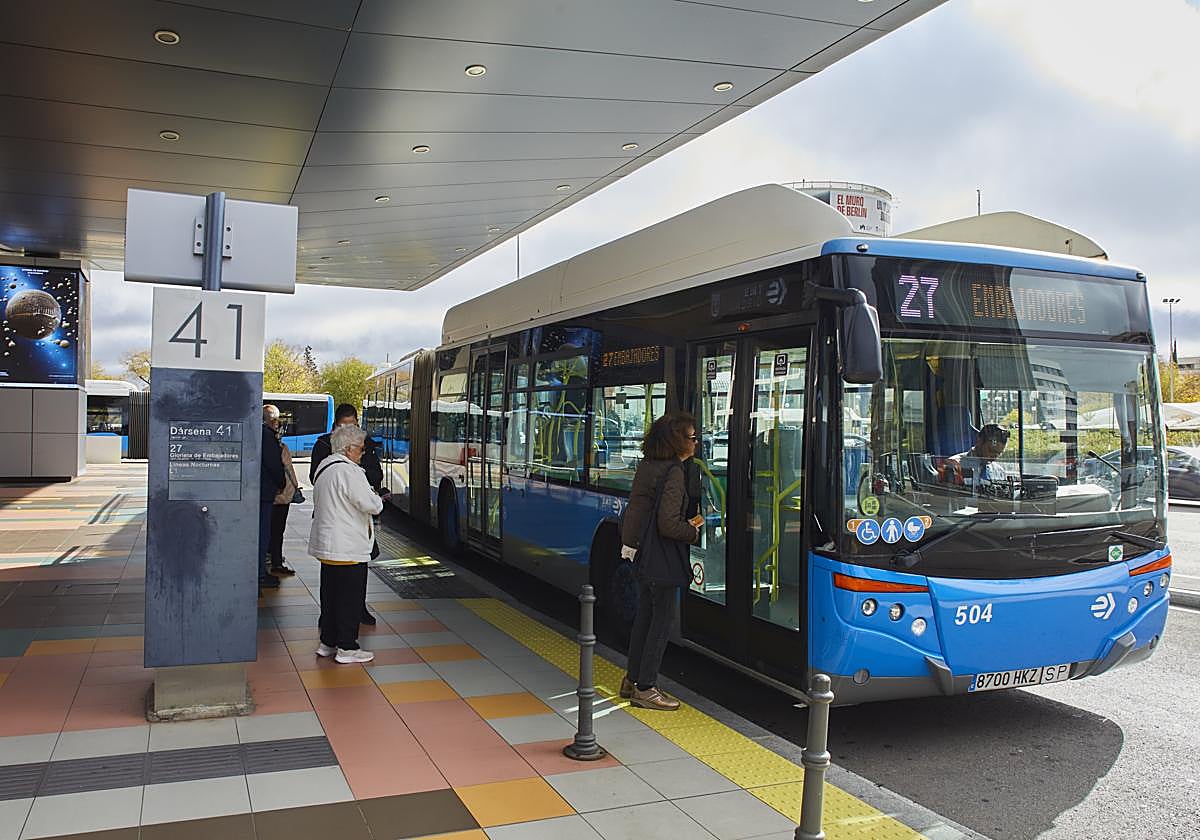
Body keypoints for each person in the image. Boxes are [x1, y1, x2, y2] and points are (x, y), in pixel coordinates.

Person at [618, 412, 704, 711]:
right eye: (692, 437)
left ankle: (632, 679)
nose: (696, 442)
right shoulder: (674, 471)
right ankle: (646, 687)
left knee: (645, 616)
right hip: (662, 557)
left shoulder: (648, 465)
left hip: (642, 552)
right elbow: (668, 524)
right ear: (677, 440)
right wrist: (692, 531)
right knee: (661, 622)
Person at [308, 424, 383, 664]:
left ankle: (328, 642)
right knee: (350, 598)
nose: (362, 454)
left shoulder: (325, 466)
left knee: (330, 596)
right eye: (360, 449)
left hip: (328, 546)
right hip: (348, 546)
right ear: (349, 449)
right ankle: (347, 647)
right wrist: (377, 498)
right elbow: (371, 504)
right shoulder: (349, 472)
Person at [265, 404, 299, 576]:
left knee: (270, 529)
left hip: (271, 495)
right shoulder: (276, 444)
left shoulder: (261, 439)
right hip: (278, 495)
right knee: (277, 530)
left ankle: (271, 558)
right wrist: (284, 485)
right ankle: (275, 562)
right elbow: (282, 468)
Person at [258, 406, 287, 590]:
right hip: (264, 493)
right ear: (273, 420)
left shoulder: (258, 432)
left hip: (257, 491)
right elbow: (274, 465)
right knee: (263, 533)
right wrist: (281, 483)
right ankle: (260, 574)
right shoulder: (267, 436)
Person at [951, 424, 1012, 491]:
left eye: (999, 453)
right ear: (979, 441)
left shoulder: (999, 472)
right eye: (991, 451)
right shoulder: (954, 466)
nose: (994, 457)